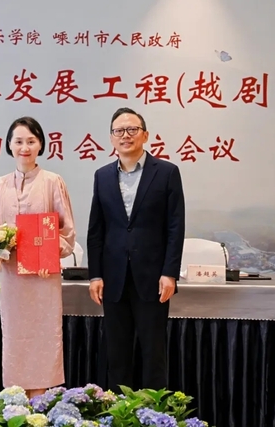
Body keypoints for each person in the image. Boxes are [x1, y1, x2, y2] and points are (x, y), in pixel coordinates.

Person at [86, 107, 185, 392]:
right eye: (119, 131)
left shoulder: (166, 172)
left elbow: (175, 226)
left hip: (153, 278)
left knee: (154, 352)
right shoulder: (102, 176)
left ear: (145, 135)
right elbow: (96, 230)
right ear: (111, 138)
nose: (125, 135)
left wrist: (169, 272)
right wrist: (95, 275)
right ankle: (119, 410)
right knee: (117, 353)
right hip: (113, 278)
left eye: (132, 129)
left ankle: (155, 411)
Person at [0, 116, 76, 399]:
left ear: (41, 145)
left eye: (31, 141)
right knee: (15, 339)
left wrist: (49, 255)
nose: (25, 147)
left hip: (43, 279)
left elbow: (66, 233)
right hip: (11, 278)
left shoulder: (53, 182)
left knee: (43, 339)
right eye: (19, 141)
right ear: (9, 145)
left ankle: (40, 405)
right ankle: (17, 405)